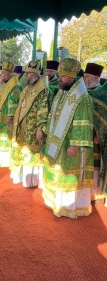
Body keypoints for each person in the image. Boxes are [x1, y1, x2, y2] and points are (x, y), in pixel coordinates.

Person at [42, 58, 94, 218]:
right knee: (57, 171)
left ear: (71, 78)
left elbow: (83, 123)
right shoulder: (62, 93)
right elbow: (53, 116)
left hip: (70, 145)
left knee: (68, 175)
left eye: (63, 76)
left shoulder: (82, 97)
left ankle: (70, 207)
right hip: (57, 142)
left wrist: (75, 145)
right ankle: (56, 202)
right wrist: (46, 131)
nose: (59, 79)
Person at [10, 60, 49, 188]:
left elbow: (43, 110)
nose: (26, 75)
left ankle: (31, 180)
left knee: (31, 154)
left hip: (32, 129)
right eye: (26, 73)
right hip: (21, 126)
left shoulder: (42, 89)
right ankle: (21, 176)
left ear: (36, 75)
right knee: (21, 150)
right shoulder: (27, 87)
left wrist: (40, 128)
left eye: (29, 73)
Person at [0, 61, 22, 168]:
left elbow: (13, 102)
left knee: (4, 138)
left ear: (10, 74)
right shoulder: (3, 85)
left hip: (4, 118)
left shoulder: (14, 87)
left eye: (5, 74)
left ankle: (4, 161)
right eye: (2, 73)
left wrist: (10, 116)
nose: (3, 75)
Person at [83, 62, 105, 202]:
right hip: (83, 135)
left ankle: (94, 194)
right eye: (84, 76)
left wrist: (98, 134)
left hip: (96, 138)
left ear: (97, 78)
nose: (84, 79)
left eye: (87, 77)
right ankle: (84, 193)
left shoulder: (104, 93)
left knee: (95, 164)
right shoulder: (82, 92)